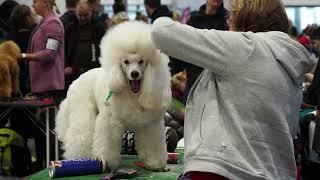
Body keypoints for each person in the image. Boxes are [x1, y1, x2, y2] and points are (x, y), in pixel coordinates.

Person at [151, 0, 315, 179]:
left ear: (247, 17)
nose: (228, 21)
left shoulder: (246, 47)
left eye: (232, 14)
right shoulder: (288, 57)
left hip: (228, 171)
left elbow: (161, 30)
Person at [20, 0, 64, 168]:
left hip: (50, 87)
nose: (32, 5)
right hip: (42, 87)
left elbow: (49, 54)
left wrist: (24, 56)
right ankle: (46, 166)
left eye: (35, 1)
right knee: (44, 133)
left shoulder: (53, 23)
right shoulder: (44, 23)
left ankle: (57, 167)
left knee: (52, 133)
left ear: (45, 3)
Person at [64, 0, 106, 93]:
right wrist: (66, 65)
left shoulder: (99, 27)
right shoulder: (70, 28)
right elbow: (66, 49)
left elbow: (104, 49)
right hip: (74, 71)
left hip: (95, 71)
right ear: (76, 13)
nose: (82, 18)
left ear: (91, 12)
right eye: (80, 15)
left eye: (86, 15)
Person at [7, 4, 37, 95]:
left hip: (11, 80)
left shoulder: (9, 36)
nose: (35, 17)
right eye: (32, 15)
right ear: (27, 18)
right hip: (28, 81)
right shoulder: (32, 36)